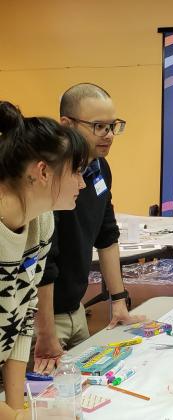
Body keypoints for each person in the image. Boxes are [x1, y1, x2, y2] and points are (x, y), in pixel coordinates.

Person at [33, 83, 145, 375]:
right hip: (42, 319)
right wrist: (45, 332)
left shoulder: (99, 168)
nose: (108, 135)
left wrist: (119, 302)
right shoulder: (48, 178)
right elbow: (44, 260)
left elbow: (107, 235)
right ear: (66, 124)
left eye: (112, 126)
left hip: (76, 309)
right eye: (98, 126)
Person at [0, 101, 88, 420]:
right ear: (42, 171)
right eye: (76, 171)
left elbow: (21, 322)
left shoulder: (42, 222)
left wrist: (17, 407)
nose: (83, 183)